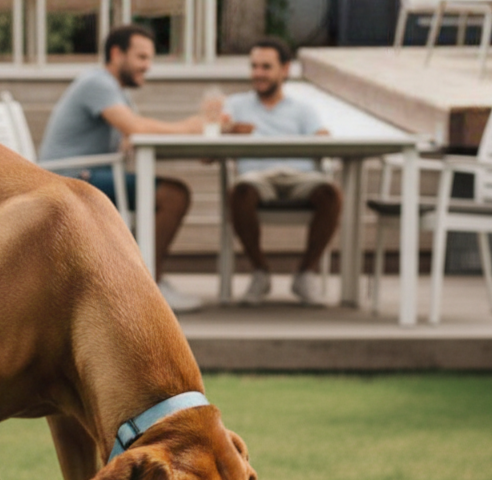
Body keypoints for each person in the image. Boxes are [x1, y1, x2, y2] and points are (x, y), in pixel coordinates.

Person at [38, 24, 206, 313]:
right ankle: (148, 284)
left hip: (85, 174)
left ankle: (140, 278)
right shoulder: (98, 83)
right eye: (141, 58)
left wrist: (196, 146)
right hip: (70, 179)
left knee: (169, 192)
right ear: (117, 54)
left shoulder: (113, 90)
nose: (147, 66)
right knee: (173, 195)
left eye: (150, 59)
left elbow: (133, 140)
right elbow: (136, 128)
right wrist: (191, 128)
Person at [223, 37, 343, 306]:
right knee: (240, 192)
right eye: (254, 66)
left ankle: (305, 274)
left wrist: (322, 136)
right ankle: (260, 271)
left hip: (301, 177)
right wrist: (226, 131)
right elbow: (210, 152)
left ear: (285, 70)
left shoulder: (303, 109)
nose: (258, 73)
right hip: (255, 178)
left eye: (266, 67)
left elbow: (324, 141)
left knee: (331, 194)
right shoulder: (235, 105)